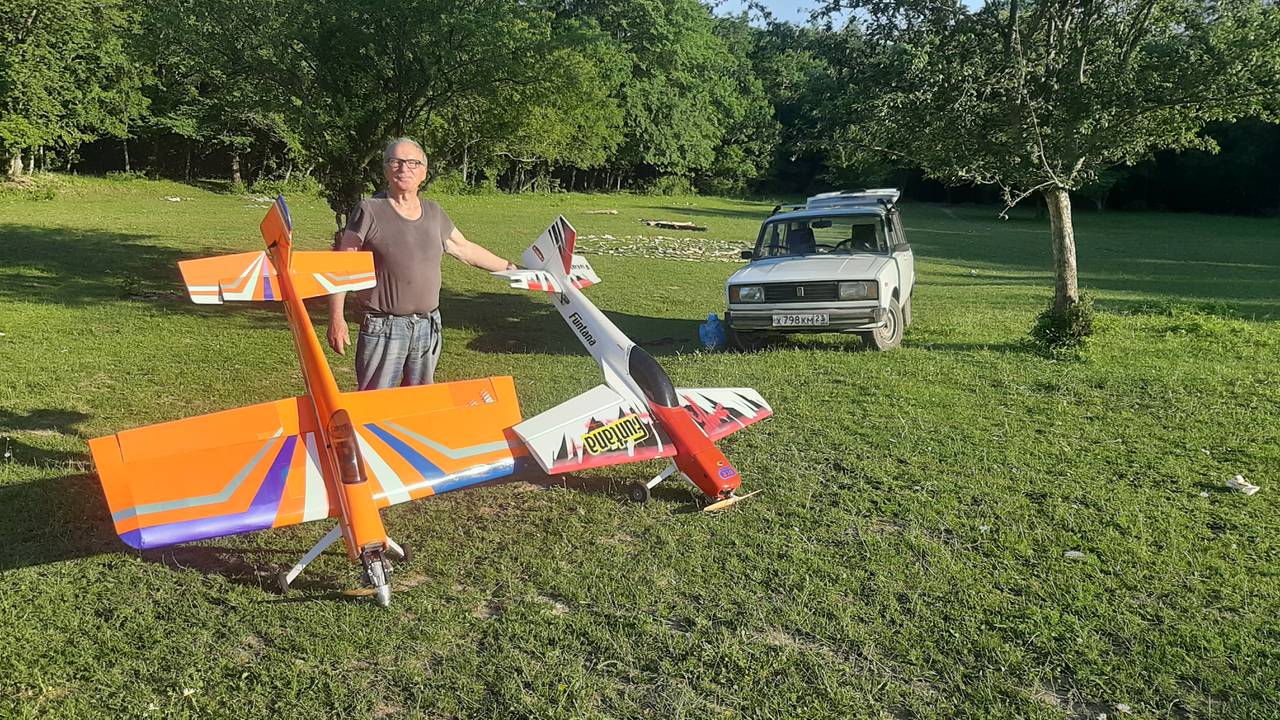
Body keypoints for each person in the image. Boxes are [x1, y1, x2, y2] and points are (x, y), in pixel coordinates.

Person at [327, 137, 516, 390]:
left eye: (413, 163)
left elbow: (465, 249)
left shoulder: (434, 212)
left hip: (427, 326)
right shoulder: (369, 209)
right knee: (376, 403)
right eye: (395, 161)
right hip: (383, 327)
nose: (404, 168)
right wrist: (336, 318)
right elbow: (342, 265)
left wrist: (511, 268)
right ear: (385, 169)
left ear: (424, 172)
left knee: (421, 401)